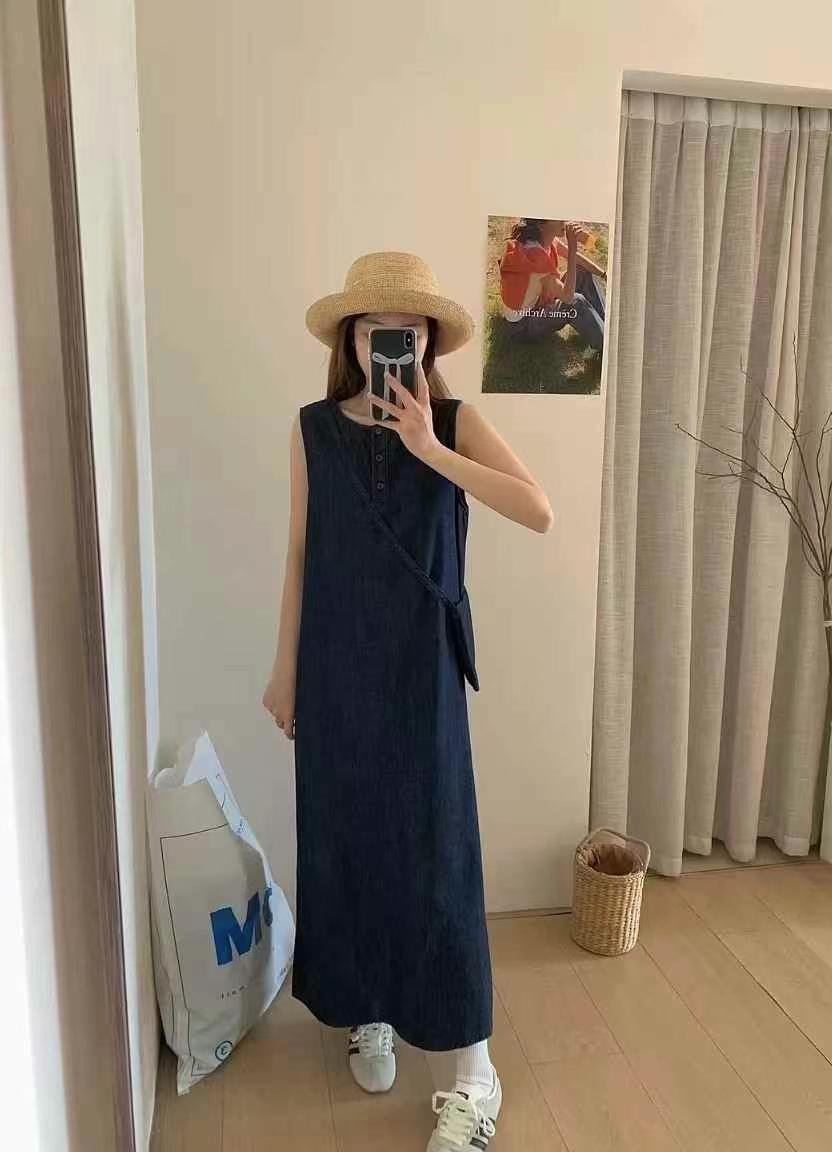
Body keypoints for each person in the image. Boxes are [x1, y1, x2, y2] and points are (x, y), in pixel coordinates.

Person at [263, 251, 553, 1151]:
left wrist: (430, 449)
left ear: (428, 343)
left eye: (409, 331)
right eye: (374, 329)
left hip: (422, 668)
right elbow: (301, 555)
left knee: (437, 855)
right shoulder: (313, 430)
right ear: (351, 340)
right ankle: (370, 1008)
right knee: (348, 838)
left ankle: (474, 1072)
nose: (391, 343)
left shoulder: (456, 423)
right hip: (335, 665)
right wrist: (285, 669)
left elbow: (537, 509)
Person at [499, 218, 606, 353]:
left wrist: (604, 275)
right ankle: (607, 347)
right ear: (541, 225)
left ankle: (607, 324)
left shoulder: (546, 240)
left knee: (583, 272)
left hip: (536, 305)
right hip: (522, 326)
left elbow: (579, 258)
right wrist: (572, 248)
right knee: (575, 302)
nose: (564, 221)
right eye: (557, 217)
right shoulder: (535, 256)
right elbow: (568, 298)